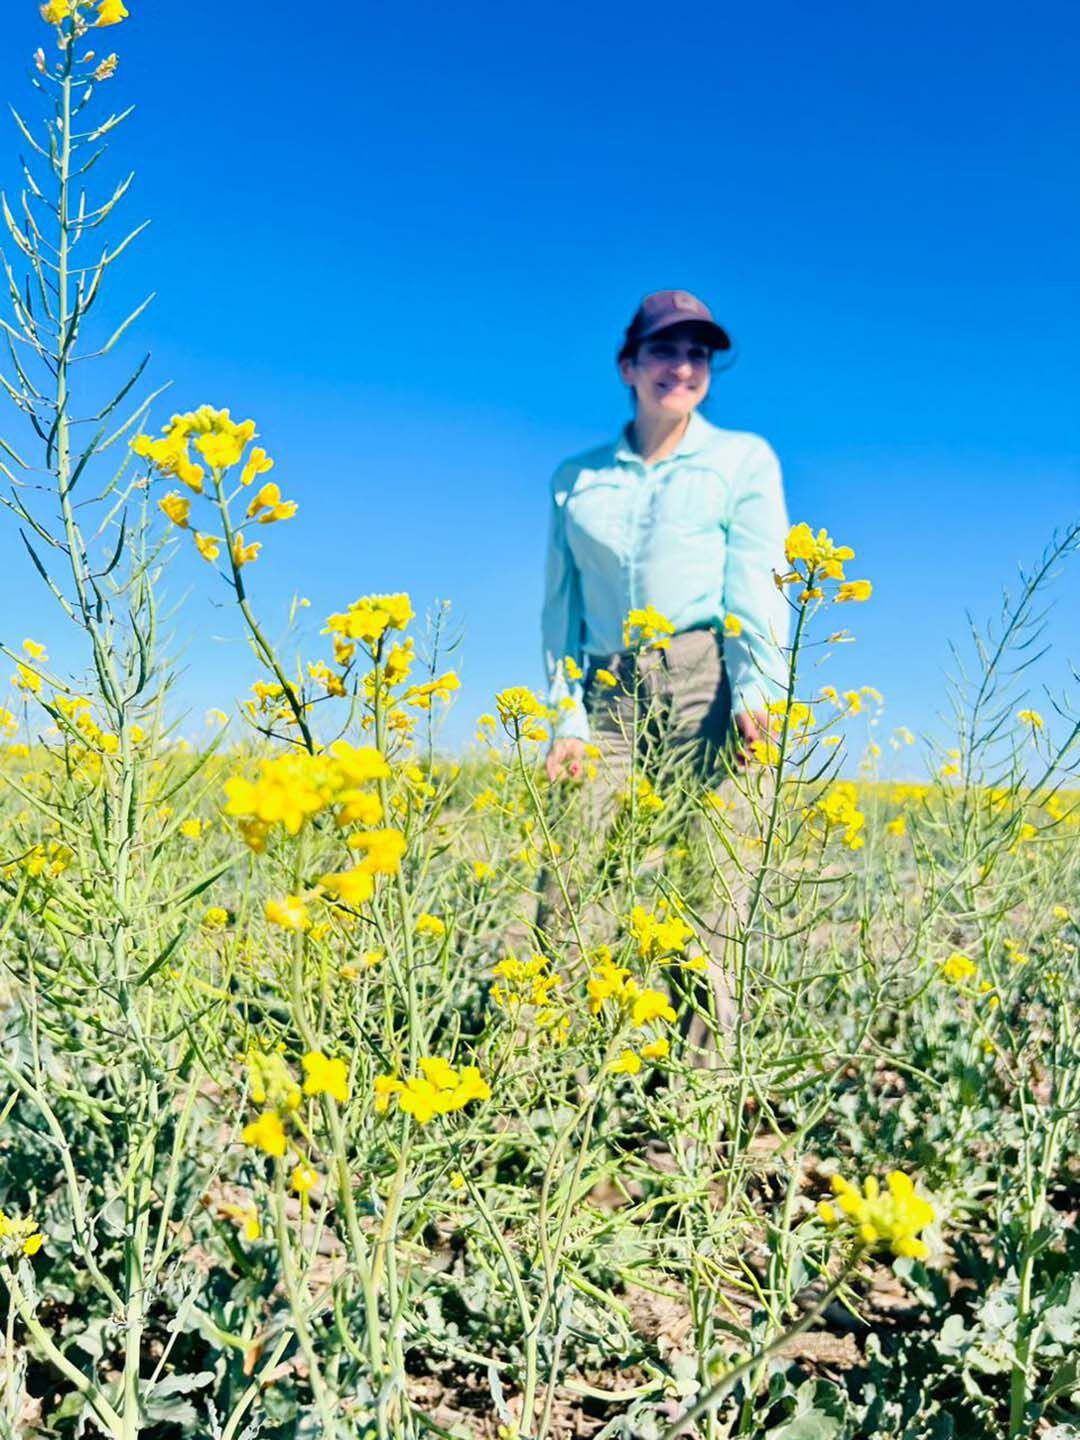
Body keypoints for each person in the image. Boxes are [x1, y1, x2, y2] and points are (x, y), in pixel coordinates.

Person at [536, 288, 791, 1037]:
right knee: (572, 883)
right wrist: (565, 720)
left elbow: (755, 578)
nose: (681, 367)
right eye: (663, 350)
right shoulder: (574, 478)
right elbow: (562, 611)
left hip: (706, 681)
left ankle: (689, 1113)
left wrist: (755, 689)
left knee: (711, 897)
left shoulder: (741, 459)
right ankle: (558, 1086)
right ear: (627, 365)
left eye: (697, 353)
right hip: (608, 689)